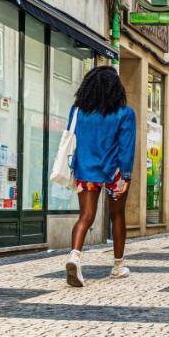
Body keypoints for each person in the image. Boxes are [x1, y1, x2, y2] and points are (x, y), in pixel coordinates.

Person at [64, 65, 136, 287]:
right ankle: (117, 267)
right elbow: (126, 147)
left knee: (85, 215)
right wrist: (126, 174)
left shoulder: (77, 111)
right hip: (114, 171)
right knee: (118, 216)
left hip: (85, 169)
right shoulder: (125, 113)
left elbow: (71, 138)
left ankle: (74, 256)